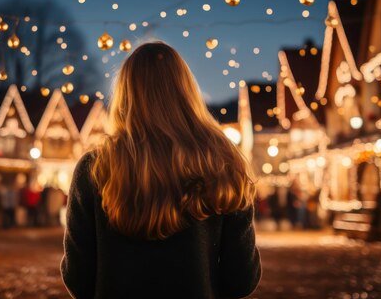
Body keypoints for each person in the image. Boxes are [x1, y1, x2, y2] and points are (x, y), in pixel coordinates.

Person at [61, 42, 261, 298]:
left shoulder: (95, 169)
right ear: (187, 91)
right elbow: (242, 279)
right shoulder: (223, 163)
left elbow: (78, 278)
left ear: (125, 95)